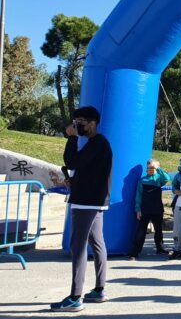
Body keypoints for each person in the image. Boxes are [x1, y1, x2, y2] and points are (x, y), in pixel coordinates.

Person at [51, 106, 113, 312]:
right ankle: (99, 290)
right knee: (97, 243)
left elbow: (72, 161)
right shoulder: (98, 144)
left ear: (93, 123)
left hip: (86, 202)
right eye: (75, 123)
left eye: (81, 123)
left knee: (78, 246)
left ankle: (75, 297)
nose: (77, 126)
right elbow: (87, 170)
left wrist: (71, 138)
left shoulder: (97, 143)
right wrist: (74, 181)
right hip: (93, 200)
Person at [128, 159, 171, 260]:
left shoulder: (159, 179)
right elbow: (138, 195)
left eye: (152, 168)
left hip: (157, 209)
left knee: (158, 230)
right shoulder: (142, 180)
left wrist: (158, 168)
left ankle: (159, 248)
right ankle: (135, 252)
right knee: (141, 231)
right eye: (148, 168)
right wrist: (138, 209)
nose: (150, 170)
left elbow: (167, 178)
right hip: (145, 209)